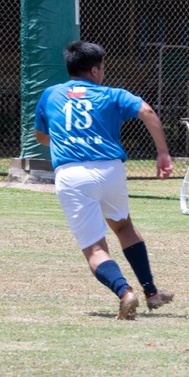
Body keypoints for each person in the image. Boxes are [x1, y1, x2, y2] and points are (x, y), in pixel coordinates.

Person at [34, 40, 175, 320]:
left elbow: (40, 136)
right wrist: (163, 153)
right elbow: (146, 111)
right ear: (96, 70)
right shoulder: (111, 94)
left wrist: (67, 140)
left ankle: (125, 293)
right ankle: (152, 293)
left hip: (72, 175)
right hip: (110, 170)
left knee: (95, 248)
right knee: (124, 227)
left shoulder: (50, 95)